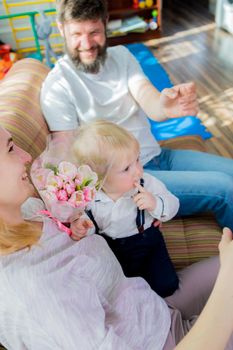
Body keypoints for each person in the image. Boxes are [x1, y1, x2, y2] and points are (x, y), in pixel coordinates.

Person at [1, 125, 233, 349]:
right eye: (10, 149)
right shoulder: (31, 292)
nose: (27, 156)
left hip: (155, 311)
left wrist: (77, 223)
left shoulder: (29, 208)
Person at [40, 0, 233, 231]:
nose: (87, 43)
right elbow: (68, 154)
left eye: (94, 32)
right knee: (225, 187)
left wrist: (165, 107)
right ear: (61, 29)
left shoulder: (122, 56)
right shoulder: (57, 85)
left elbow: (148, 97)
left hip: (159, 155)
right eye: (77, 34)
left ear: (105, 24)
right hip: (130, 180)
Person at [70, 120, 179, 298]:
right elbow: (89, 222)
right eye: (126, 168)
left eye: (137, 159)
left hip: (147, 242)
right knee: (120, 290)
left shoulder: (147, 183)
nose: (138, 170)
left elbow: (173, 204)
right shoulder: (90, 196)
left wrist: (155, 203)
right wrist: (81, 227)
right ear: (99, 179)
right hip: (111, 249)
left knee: (166, 286)